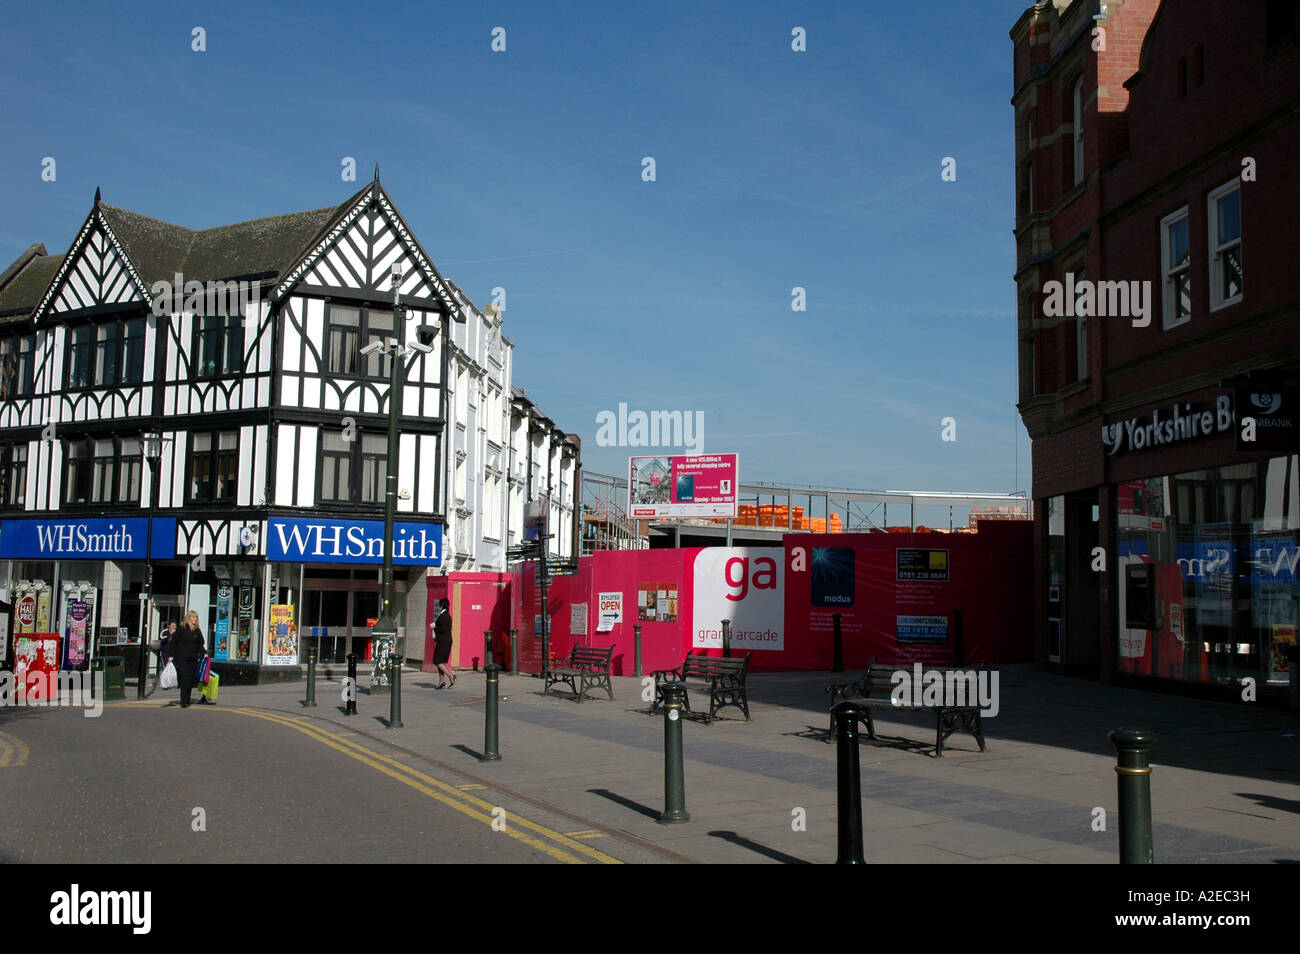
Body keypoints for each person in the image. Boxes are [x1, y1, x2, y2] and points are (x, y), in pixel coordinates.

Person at [172, 610, 208, 708]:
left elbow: (200, 644)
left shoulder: (197, 630)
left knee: (190, 679)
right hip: (182, 658)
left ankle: (187, 699)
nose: (195, 619)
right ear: (189, 618)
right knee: (184, 678)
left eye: (196, 617)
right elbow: (174, 642)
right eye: (193, 617)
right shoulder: (182, 628)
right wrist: (172, 656)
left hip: (193, 658)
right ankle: (184, 701)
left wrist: (204, 653)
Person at [432, 598, 455, 688]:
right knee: (440, 661)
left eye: (439, 605)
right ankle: (441, 681)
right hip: (446, 640)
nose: (439, 607)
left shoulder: (443, 616)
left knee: (437, 660)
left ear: (441, 606)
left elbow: (443, 629)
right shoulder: (446, 615)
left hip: (443, 641)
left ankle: (451, 676)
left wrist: (434, 627)